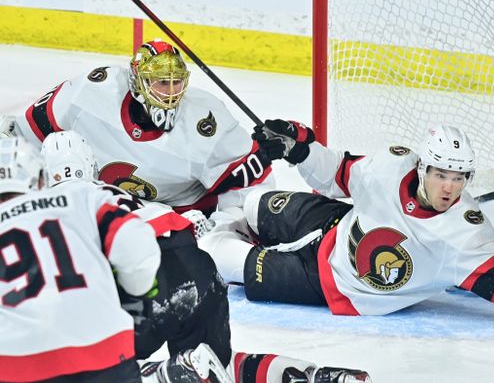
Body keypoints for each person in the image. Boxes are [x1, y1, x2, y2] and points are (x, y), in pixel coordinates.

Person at [200, 121, 494, 334]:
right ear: (421, 168)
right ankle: (214, 221)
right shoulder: (392, 167)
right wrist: (299, 147)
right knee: (250, 203)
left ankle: (201, 234)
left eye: (460, 178)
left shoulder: (466, 234)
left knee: (216, 257)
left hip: (333, 283)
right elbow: (336, 173)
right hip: (334, 224)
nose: (450, 187)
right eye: (442, 174)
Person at [40, 130, 369, 383]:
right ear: (93, 169)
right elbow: (183, 230)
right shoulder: (118, 195)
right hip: (196, 270)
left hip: (147, 284)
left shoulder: (36, 215)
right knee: (215, 363)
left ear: (43, 177)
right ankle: (311, 375)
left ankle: (173, 372)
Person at [2, 39, 283, 215]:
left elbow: (250, 190)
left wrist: (221, 227)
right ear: (137, 81)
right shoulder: (93, 90)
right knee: (62, 146)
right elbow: (26, 134)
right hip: (96, 208)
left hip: (180, 220)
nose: (171, 91)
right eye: (161, 82)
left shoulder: (206, 120)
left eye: (176, 81)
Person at [0, 136, 160, 382]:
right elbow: (136, 243)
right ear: (38, 175)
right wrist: (135, 295)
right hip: (104, 348)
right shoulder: (79, 198)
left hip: (17, 365)